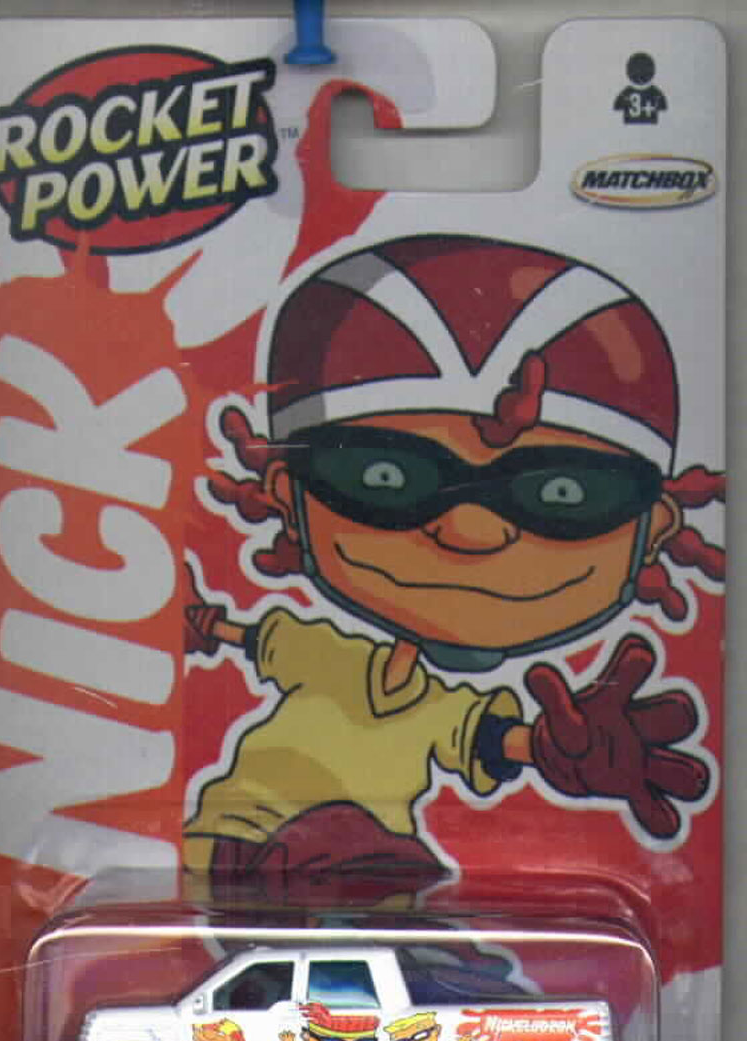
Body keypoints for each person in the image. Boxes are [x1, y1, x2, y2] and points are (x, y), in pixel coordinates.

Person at [184, 235, 723, 880]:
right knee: (349, 850)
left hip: (366, 870)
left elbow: (496, 740)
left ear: (653, 526)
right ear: (289, 494)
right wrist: (195, 624)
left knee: (383, 873)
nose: (470, 532)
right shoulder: (322, 654)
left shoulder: (438, 711)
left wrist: (563, 753)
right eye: (386, 477)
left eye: (563, 493)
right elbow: (251, 639)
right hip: (242, 839)